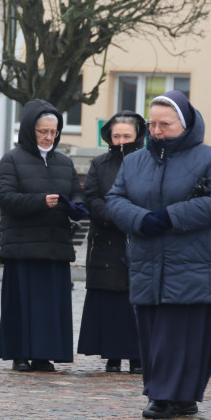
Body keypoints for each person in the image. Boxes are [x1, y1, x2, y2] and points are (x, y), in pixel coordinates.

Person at [106, 90, 211, 419]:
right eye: (152, 124)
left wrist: (171, 216)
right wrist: (140, 219)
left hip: (196, 262)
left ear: (186, 123)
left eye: (165, 124)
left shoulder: (210, 158)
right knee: (155, 333)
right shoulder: (135, 160)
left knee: (189, 333)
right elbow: (115, 199)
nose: (157, 130)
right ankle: (160, 393)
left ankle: (182, 395)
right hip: (149, 261)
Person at [0, 99, 87, 373]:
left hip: (55, 244)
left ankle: (45, 354)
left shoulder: (63, 162)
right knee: (23, 305)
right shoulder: (11, 159)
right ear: (29, 130)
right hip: (23, 245)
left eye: (53, 132)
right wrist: (40, 201)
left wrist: (78, 206)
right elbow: (6, 198)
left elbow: (76, 192)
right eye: (43, 132)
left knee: (50, 305)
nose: (49, 137)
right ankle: (20, 353)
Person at [77, 111, 146, 374]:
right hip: (106, 239)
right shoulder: (100, 164)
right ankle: (112, 354)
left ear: (137, 135)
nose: (121, 141)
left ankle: (138, 355)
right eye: (116, 136)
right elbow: (92, 196)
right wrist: (113, 216)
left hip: (139, 237)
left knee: (136, 300)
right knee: (110, 301)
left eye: (126, 136)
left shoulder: (149, 162)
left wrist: (135, 218)